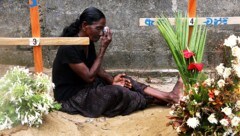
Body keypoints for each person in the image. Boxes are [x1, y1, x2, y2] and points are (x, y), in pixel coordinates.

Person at [52, 7, 183, 118]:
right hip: (72, 97)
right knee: (116, 92)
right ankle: (161, 99)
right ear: (85, 26)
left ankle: (168, 96)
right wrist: (103, 49)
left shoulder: (88, 40)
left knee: (124, 80)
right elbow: (89, 77)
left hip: (86, 88)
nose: (101, 32)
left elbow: (96, 68)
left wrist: (112, 80)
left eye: (102, 28)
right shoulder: (68, 47)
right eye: (98, 28)